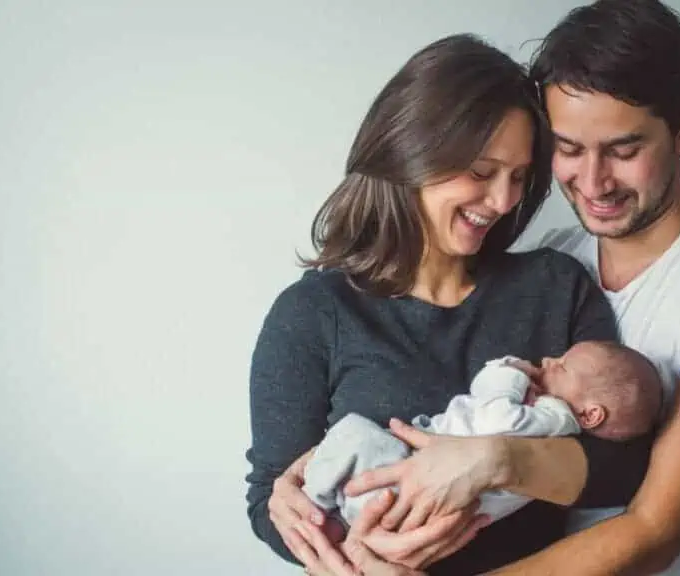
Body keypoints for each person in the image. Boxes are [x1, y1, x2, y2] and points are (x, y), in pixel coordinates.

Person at [341, 1, 680, 575]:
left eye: (623, 150)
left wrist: (495, 460)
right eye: (568, 149)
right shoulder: (556, 261)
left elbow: (651, 532)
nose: (593, 183)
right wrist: (300, 478)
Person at [243, 33, 656, 576]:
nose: (504, 201)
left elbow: (624, 466)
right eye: (482, 173)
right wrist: (352, 555)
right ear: (411, 152)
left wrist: (494, 461)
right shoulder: (314, 314)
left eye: (518, 178)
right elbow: (269, 501)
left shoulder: (555, 287)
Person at [301, 341, 666, 530]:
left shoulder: (555, 420)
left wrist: (507, 370)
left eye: (564, 366)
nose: (550, 361)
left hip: (404, 486)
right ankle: (321, 514)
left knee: (354, 432)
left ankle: (314, 507)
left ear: (589, 414)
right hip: (405, 496)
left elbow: (494, 416)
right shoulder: (548, 419)